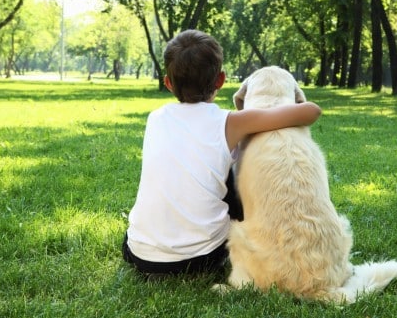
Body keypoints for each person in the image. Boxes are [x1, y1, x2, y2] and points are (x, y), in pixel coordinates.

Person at [122, 29, 321, 278]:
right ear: (221, 80)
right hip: (202, 259)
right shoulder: (230, 123)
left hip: (140, 255)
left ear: (168, 83)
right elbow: (311, 112)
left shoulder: (155, 118)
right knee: (232, 175)